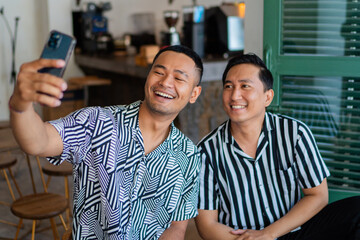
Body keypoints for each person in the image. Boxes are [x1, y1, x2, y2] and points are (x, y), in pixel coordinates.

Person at [9, 45, 203, 239]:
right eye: (159, 72)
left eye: (178, 78)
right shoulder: (98, 122)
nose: (166, 82)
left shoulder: (189, 156)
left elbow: (177, 227)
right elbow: (38, 142)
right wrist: (21, 105)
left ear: (194, 94)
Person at [195, 53, 360, 240]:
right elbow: (206, 225)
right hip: (241, 239)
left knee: (356, 210)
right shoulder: (206, 152)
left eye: (245, 86)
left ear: (268, 97)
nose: (235, 95)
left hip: (290, 232)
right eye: (228, 86)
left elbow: (318, 196)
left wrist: (268, 234)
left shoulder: (294, 133)